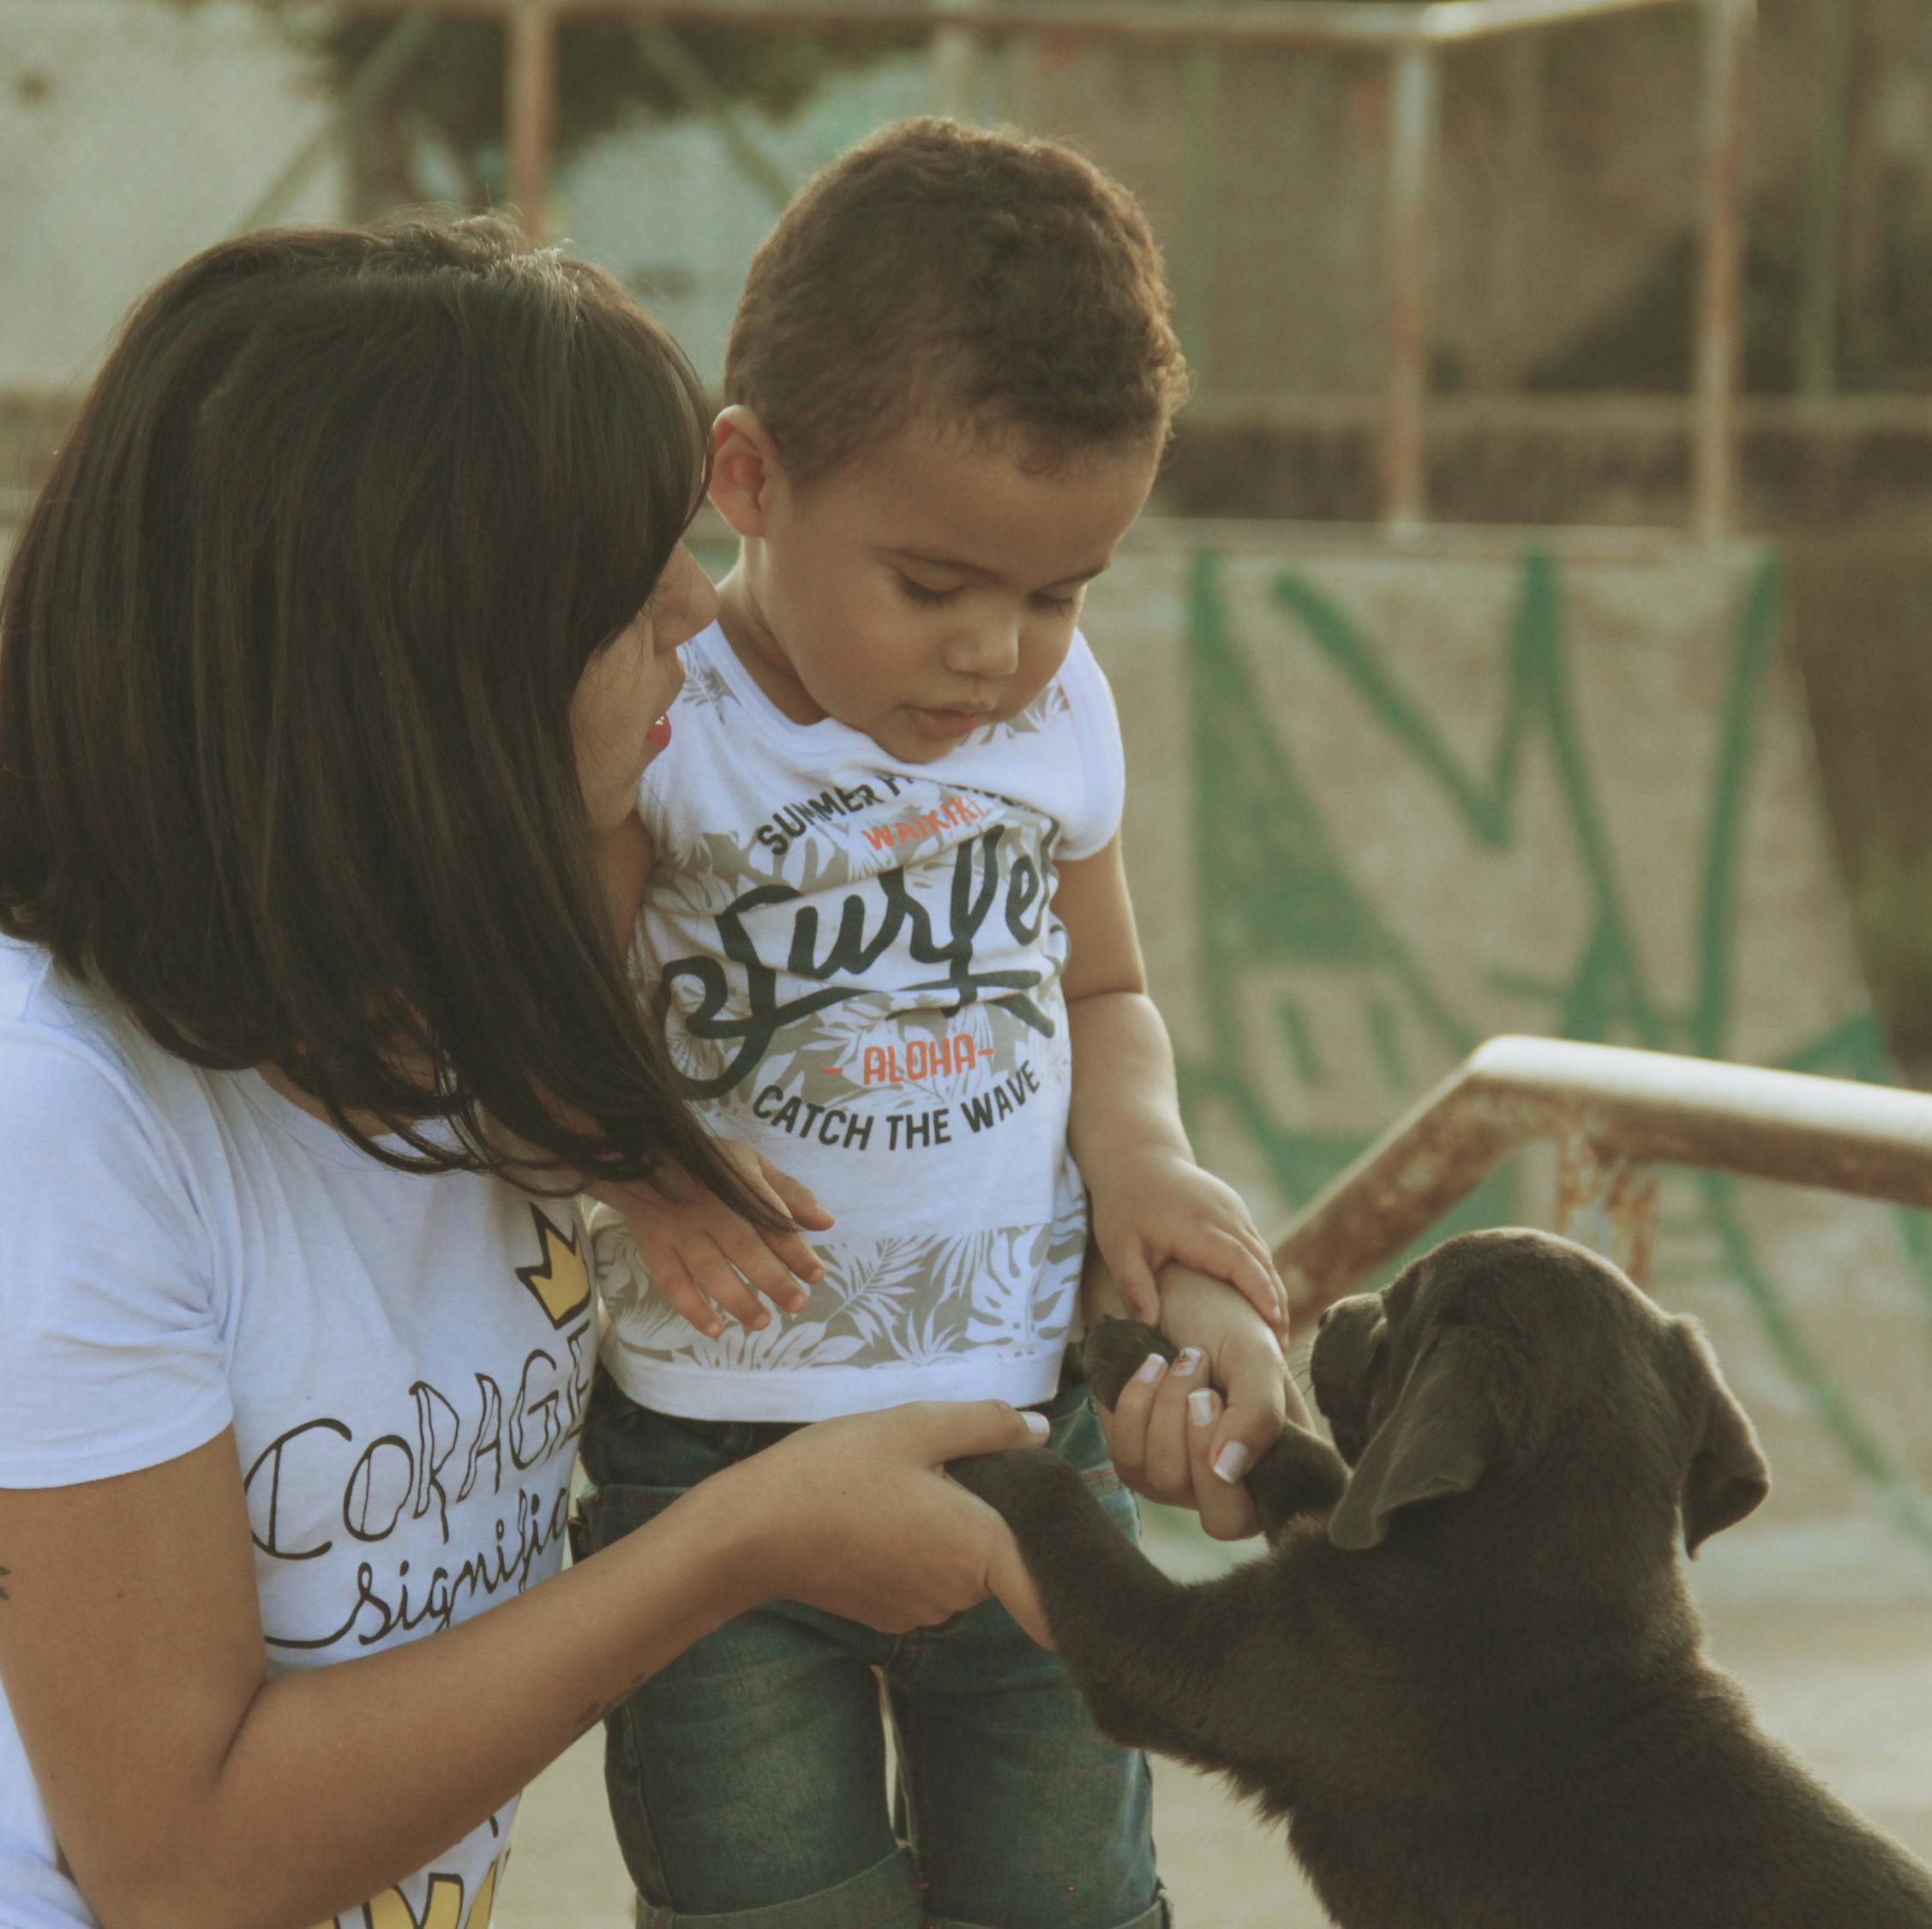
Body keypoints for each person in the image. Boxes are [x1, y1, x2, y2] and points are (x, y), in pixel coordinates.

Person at [0, 215, 1138, 1929]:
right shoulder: (27, 1090)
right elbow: (182, 1867)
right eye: (619, 577)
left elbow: (962, 1087)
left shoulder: (510, 979)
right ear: (426, 662)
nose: (697, 602)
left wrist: (1152, 1322)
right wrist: (735, 1546)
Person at [578, 119, 1301, 1929]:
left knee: (1063, 1892)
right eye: (935, 585)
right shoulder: (660, 715)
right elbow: (559, 1016)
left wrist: (1140, 1159)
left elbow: (1101, 986)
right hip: (710, 1464)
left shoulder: (1049, 729)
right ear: (748, 477)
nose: (996, 653)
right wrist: (636, 1159)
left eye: (1057, 593)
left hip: (1014, 1441)